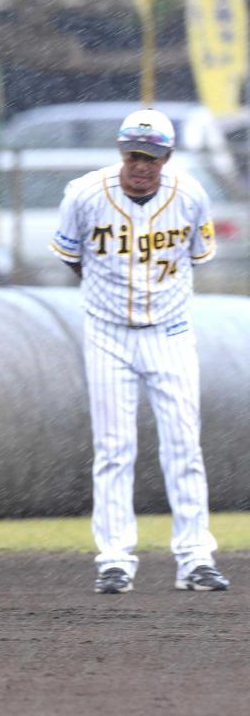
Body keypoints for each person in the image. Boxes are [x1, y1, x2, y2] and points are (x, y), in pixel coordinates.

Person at [50, 108, 229, 594]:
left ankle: (194, 558)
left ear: (167, 157)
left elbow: (199, 256)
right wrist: (106, 296)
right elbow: (70, 256)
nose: (140, 165)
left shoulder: (189, 194)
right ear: (120, 151)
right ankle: (114, 559)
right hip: (107, 333)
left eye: (150, 156)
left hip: (170, 331)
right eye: (133, 154)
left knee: (183, 444)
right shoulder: (85, 194)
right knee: (113, 448)